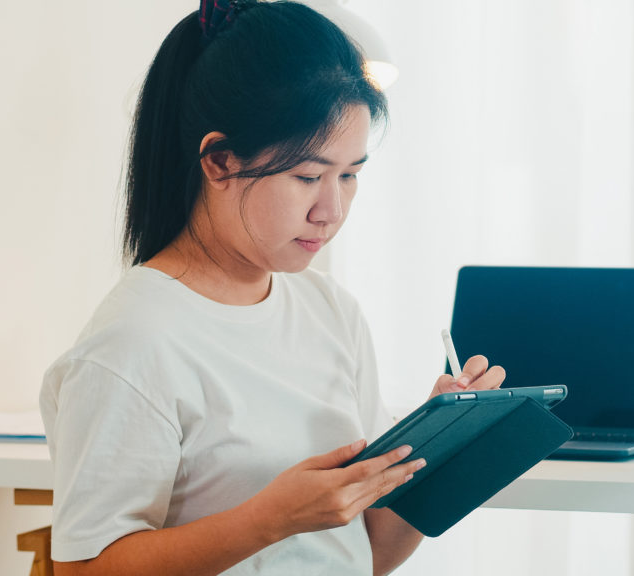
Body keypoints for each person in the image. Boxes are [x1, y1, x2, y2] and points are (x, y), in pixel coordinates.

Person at [38, 1, 506, 575]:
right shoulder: (134, 343)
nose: (331, 210)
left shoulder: (332, 312)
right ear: (219, 161)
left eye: (350, 174)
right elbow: (82, 570)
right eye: (307, 176)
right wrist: (268, 518)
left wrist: (442, 452)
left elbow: (368, 555)